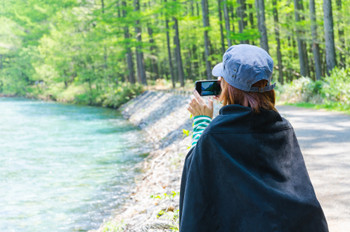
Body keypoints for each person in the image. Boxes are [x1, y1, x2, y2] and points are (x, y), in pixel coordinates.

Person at [179, 44, 328, 232]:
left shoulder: (215, 135)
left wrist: (201, 121)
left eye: (222, 79)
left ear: (227, 87)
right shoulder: (282, 128)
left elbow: (197, 181)